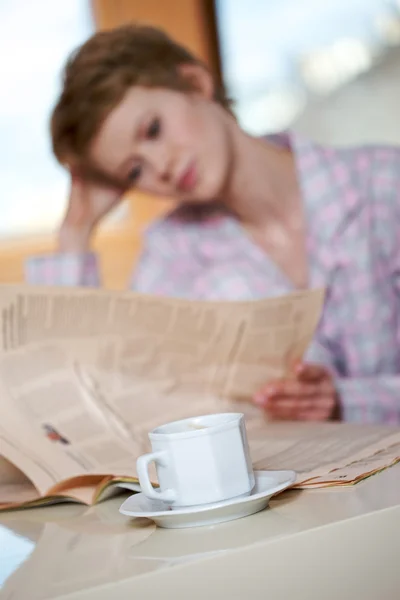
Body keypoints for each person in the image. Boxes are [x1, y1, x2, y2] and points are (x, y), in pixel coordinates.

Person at [26, 24, 400, 425]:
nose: (162, 167)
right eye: (134, 171)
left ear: (195, 82)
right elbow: (90, 406)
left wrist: (347, 400)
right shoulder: (173, 253)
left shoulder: (383, 182)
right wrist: (75, 231)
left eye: (153, 130)